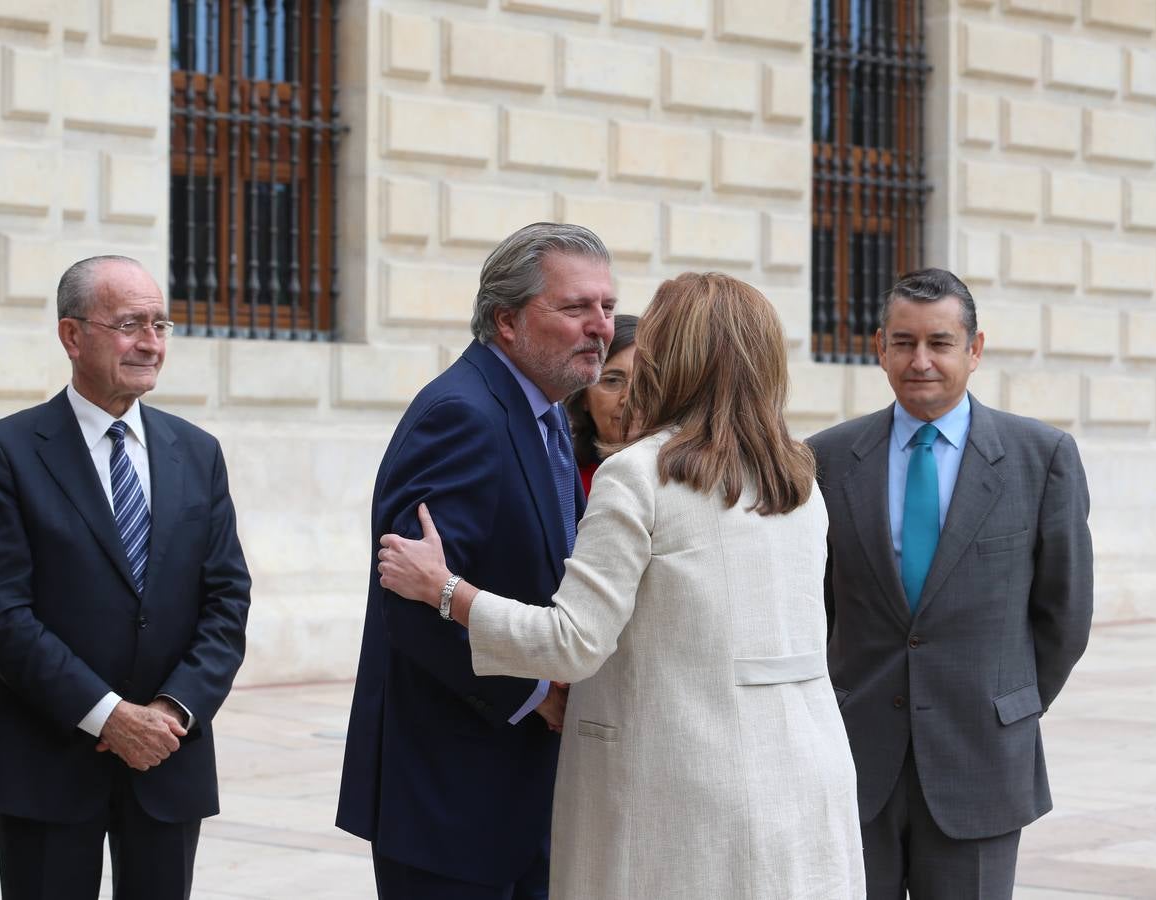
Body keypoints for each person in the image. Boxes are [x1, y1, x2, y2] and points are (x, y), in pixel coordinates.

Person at [377, 272, 866, 900]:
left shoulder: (640, 474)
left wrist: (446, 590)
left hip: (683, 791)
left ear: (671, 356)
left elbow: (573, 641)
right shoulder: (795, 477)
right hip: (808, 774)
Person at [0, 256, 252, 899]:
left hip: (170, 759)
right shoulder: (4, 453)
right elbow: (1, 615)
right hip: (48, 764)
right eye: (128, 324)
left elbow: (228, 598)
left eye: (160, 324)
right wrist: (107, 715)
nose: (150, 343)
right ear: (71, 335)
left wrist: (172, 711)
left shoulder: (197, 452)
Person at [336, 223, 616, 900]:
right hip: (452, 801)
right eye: (576, 308)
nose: (601, 327)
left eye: (607, 307)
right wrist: (533, 694)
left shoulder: (545, 414)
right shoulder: (464, 415)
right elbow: (410, 603)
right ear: (507, 320)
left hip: (519, 794)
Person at [809, 268, 1093, 899]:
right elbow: (815, 606)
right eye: (903, 342)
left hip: (981, 758)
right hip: (857, 758)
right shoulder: (825, 460)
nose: (921, 361)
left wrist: (1006, 704)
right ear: (878, 348)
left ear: (975, 349)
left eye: (939, 342)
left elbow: (1064, 614)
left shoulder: (1040, 457)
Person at [563, 313, 637, 496]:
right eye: (612, 381)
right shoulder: (562, 484)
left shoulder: (691, 479)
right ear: (583, 396)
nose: (628, 398)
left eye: (645, 383)